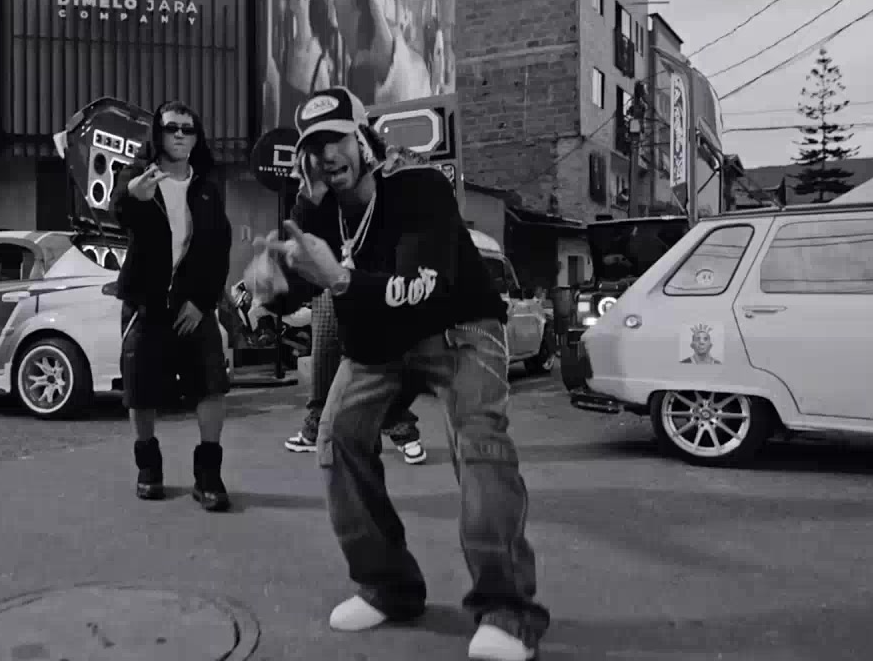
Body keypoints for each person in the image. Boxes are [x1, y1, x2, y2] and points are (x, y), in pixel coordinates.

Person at [245, 87, 549, 660]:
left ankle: (508, 613)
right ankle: (387, 587)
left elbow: (420, 287)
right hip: (378, 343)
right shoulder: (314, 210)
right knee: (337, 438)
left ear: (364, 140)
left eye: (337, 140)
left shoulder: (418, 186)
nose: (326, 156)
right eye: (313, 147)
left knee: (480, 447)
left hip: (457, 328)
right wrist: (271, 287)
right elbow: (302, 287)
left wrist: (337, 278)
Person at [111, 101, 234, 512]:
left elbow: (219, 249)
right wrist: (134, 197)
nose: (180, 135)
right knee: (140, 391)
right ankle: (149, 468)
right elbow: (118, 212)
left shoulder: (206, 188)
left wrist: (202, 302)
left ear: (197, 138)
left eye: (188, 129)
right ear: (157, 134)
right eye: (171, 128)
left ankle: (208, 475)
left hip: (193, 306)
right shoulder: (138, 176)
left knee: (211, 386)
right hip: (146, 305)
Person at [285, 146, 432, 465]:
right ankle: (317, 425)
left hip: (375, 283)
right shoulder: (319, 194)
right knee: (326, 352)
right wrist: (312, 194)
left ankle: (400, 426)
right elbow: (301, 231)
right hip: (331, 280)